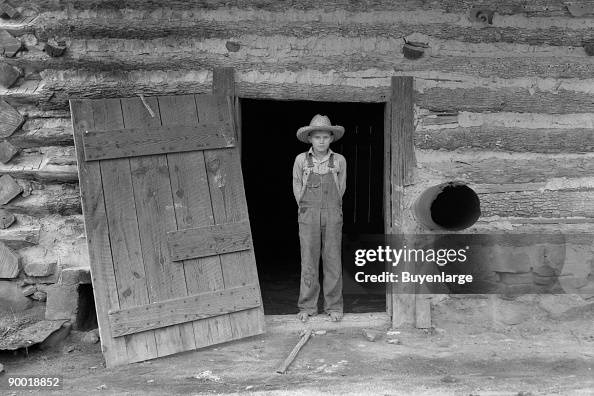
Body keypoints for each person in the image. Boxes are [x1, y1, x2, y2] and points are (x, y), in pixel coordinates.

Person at [292, 114, 347, 322]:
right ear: (310, 139)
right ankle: (307, 306)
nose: (321, 141)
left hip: (332, 213)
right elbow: (297, 185)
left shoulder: (339, 160)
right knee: (309, 259)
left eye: (325, 136)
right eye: (317, 137)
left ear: (331, 138)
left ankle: (334, 306)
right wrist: (306, 208)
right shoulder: (301, 160)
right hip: (308, 214)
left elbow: (341, 188)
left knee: (333, 259)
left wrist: (330, 208)